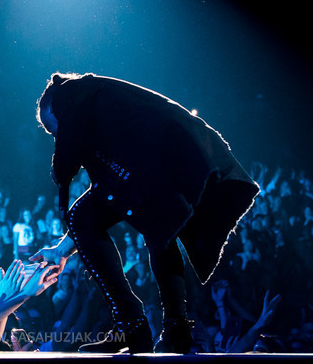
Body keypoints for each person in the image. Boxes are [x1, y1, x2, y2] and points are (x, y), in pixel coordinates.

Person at [30, 72, 259, 354]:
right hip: (169, 155)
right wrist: (62, 250)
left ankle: (152, 327)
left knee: (158, 227)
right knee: (108, 220)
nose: (56, 137)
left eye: (53, 131)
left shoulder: (70, 94)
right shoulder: (95, 111)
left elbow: (65, 164)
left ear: (54, 110)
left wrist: (59, 168)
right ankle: (156, 329)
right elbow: (104, 190)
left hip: (171, 153)